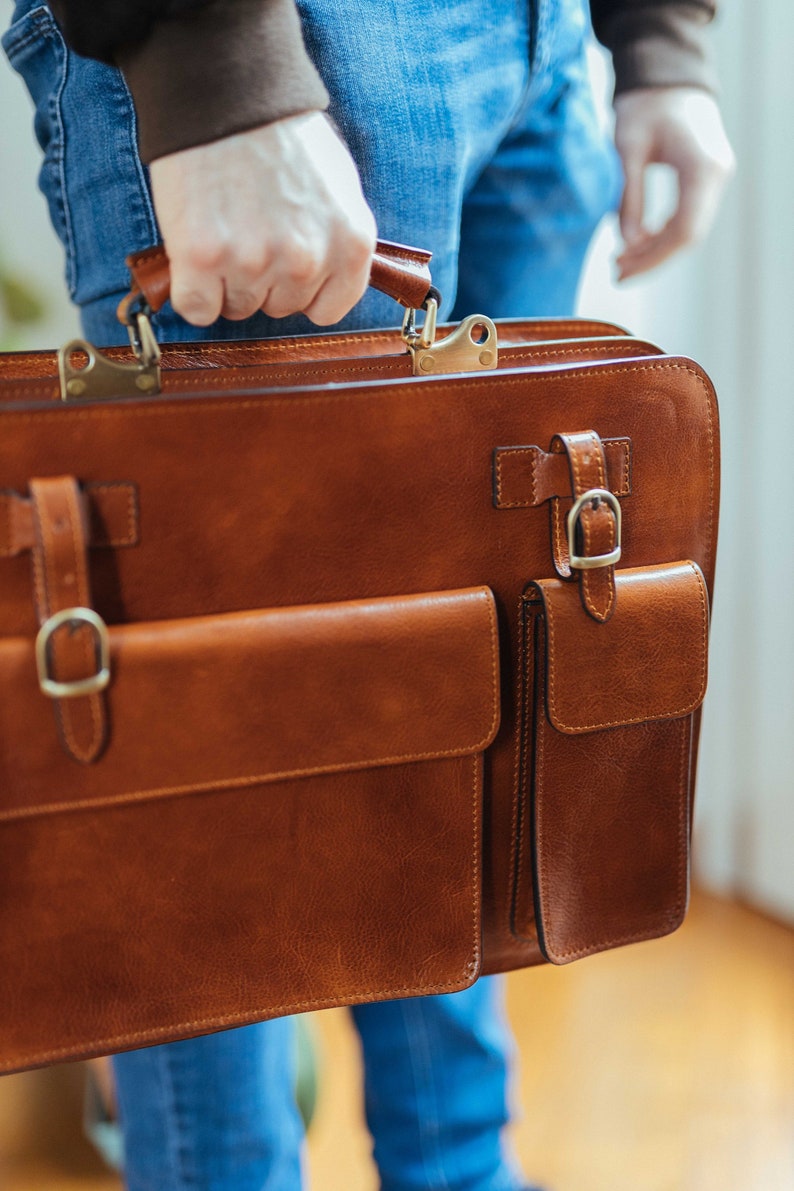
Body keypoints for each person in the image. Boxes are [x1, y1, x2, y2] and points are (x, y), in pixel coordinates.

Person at [3, 3, 734, 1189]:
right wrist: (210, 57)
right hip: (297, 47)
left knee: (481, 679)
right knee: (220, 743)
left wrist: (662, 45)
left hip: (546, 56)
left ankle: (454, 1165)